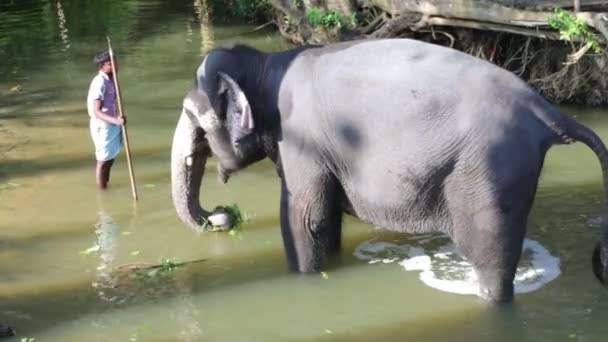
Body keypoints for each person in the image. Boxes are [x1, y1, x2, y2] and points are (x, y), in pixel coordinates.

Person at [86, 50, 125, 190]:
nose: (115, 65)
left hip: (113, 122)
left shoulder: (111, 79)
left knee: (110, 157)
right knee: (103, 160)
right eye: (111, 64)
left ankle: (106, 183)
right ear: (101, 66)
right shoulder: (99, 82)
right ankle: (102, 191)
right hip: (103, 126)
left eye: (115, 62)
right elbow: (96, 111)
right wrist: (116, 121)